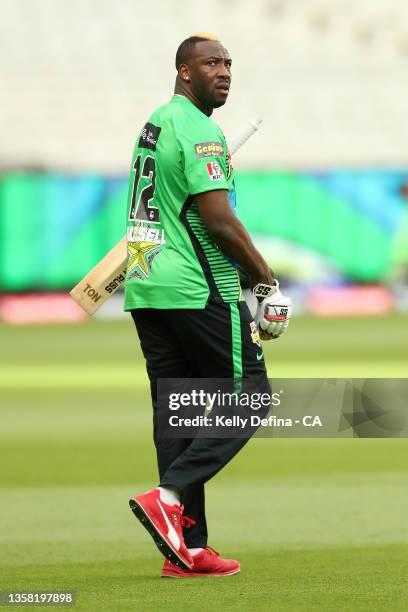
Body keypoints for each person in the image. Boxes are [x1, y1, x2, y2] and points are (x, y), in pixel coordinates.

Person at [124, 34, 291, 578]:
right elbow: (218, 222)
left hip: (147, 283)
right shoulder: (199, 130)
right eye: (210, 63)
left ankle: (187, 547)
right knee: (250, 399)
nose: (223, 72)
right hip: (197, 286)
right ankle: (168, 496)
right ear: (183, 71)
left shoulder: (155, 123)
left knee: (182, 411)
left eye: (227, 64)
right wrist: (265, 281)